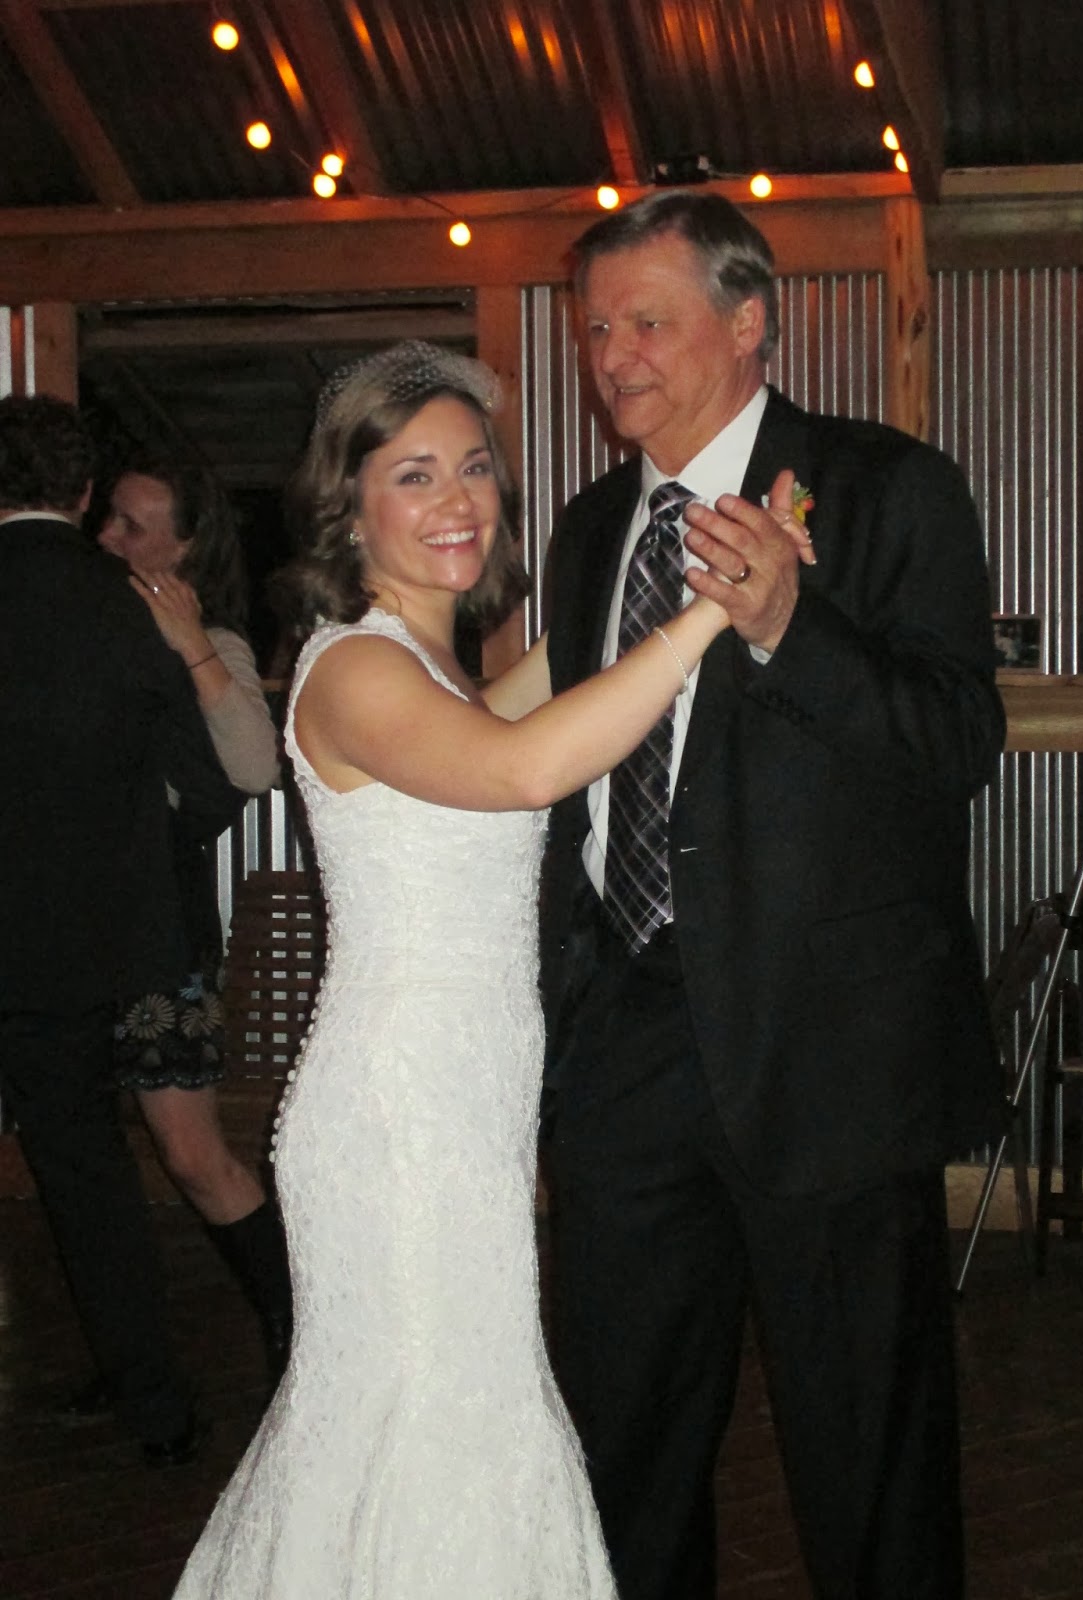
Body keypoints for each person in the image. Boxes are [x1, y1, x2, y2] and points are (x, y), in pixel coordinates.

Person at [170, 339, 783, 1598]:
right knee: (428, 1429)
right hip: (399, 1124)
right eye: (413, 475)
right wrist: (715, 613)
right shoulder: (353, 665)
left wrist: (661, 552)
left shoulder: (440, 671)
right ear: (349, 506)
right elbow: (526, 767)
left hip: (463, 1109)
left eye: (473, 468)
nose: (457, 500)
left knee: (445, 1421)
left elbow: (538, 695)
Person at [537, 191, 1008, 1600]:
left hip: (827, 1048)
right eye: (597, 329)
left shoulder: (886, 487)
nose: (615, 356)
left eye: (648, 321)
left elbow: (957, 743)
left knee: (868, 1455)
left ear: (749, 321)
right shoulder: (588, 530)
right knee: (626, 1444)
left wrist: (794, 626)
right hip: (626, 1038)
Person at [0, 394, 244, 1466]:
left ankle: (144, 1389)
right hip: (117, 933)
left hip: (20, 936)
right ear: (84, 491)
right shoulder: (128, 607)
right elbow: (212, 785)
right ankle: (162, 1406)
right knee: (131, 1162)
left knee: (77, 1166)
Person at [49, 456, 290, 1418]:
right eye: (108, 519)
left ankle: (299, 1330)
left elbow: (254, 766)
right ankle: (133, 1359)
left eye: (136, 526)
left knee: (191, 1155)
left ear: (186, 549)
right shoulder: (75, 624)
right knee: (87, 1154)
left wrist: (189, 643)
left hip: (157, 931)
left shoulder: (212, 639)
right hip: (70, 928)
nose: (110, 538)